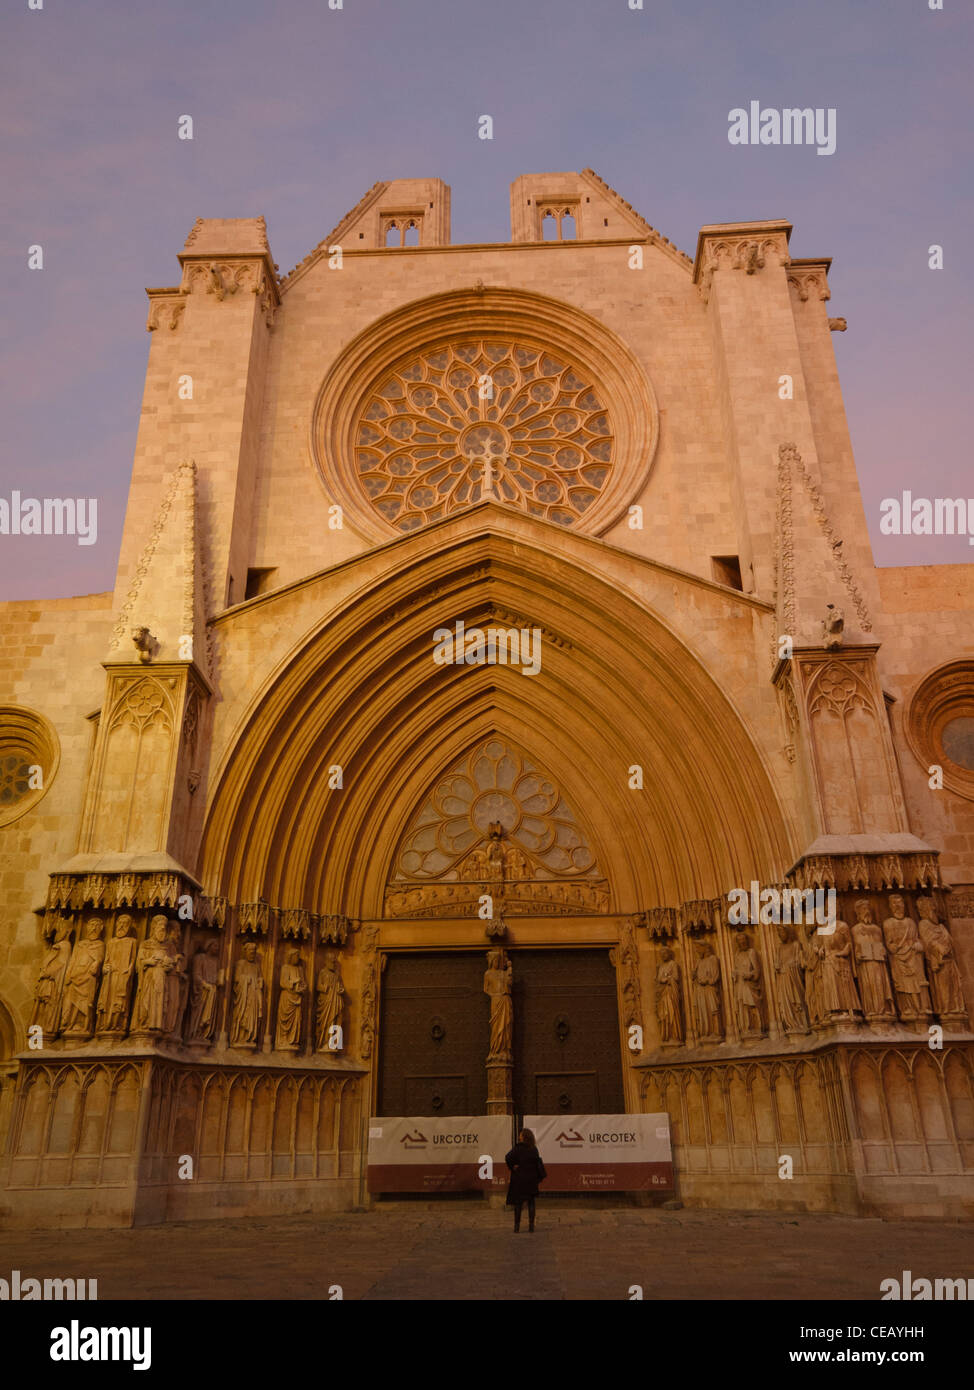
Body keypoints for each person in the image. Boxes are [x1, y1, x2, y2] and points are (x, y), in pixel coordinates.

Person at [505, 1128, 546, 1232]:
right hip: (531, 1180)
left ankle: (516, 1227)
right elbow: (537, 1162)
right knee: (531, 1202)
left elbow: (508, 1157)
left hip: (519, 1180)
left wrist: (513, 1166)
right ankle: (531, 1226)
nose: (519, 1136)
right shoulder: (534, 1149)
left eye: (521, 1135)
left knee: (518, 1204)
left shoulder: (518, 1148)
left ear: (523, 1137)